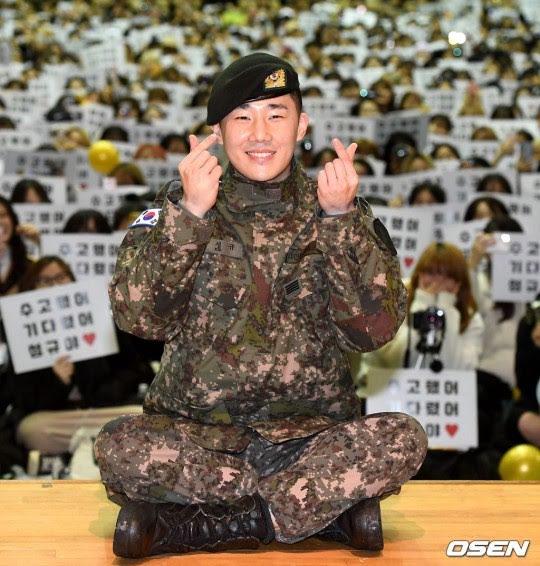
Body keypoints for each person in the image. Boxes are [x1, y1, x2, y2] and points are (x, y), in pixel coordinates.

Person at [94, 53, 427, 559]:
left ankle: (197, 525)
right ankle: (319, 511)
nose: (260, 134)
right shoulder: (178, 205)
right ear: (217, 132)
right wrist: (191, 215)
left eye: (276, 114)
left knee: (403, 438)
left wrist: (340, 223)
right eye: (242, 117)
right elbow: (138, 319)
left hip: (309, 439)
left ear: (301, 126)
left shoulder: (338, 206)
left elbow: (374, 332)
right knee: (119, 447)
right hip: (199, 438)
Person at [4, 256, 155, 457]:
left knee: (143, 418)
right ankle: (103, 443)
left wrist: (105, 392)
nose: (54, 285)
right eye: (44, 280)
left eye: (60, 277)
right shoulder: (22, 336)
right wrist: (58, 382)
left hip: (101, 412)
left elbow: (137, 369)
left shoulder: (99, 320)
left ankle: (96, 442)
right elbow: (24, 401)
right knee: (30, 430)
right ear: (31, 287)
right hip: (59, 421)